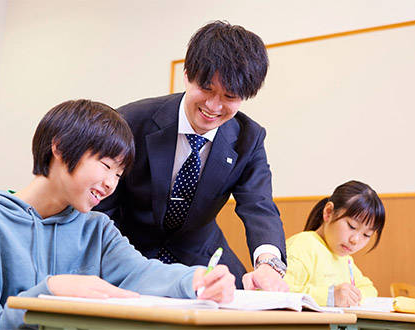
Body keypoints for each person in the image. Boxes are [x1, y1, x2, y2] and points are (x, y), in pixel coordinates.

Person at [0, 100, 235, 330]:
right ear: (59, 148)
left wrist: (196, 280)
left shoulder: (97, 229)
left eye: (119, 174)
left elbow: (141, 272)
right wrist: (49, 293)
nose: (111, 183)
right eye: (106, 165)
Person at [95, 21, 287, 291]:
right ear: (187, 74)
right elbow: (103, 206)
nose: (213, 106)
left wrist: (268, 264)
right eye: (206, 89)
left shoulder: (249, 138)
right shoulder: (130, 121)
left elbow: (259, 205)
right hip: (129, 252)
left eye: (229, 96)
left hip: (203, 256)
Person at [284, 180, 386, 307]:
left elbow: (370, 289)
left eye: (366, 235)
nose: (355, 240)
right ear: (328, 212)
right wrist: (329, 297)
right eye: (352, 226)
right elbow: (276, 293)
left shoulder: (345, 259)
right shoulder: (302, 246)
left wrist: (353, 297)